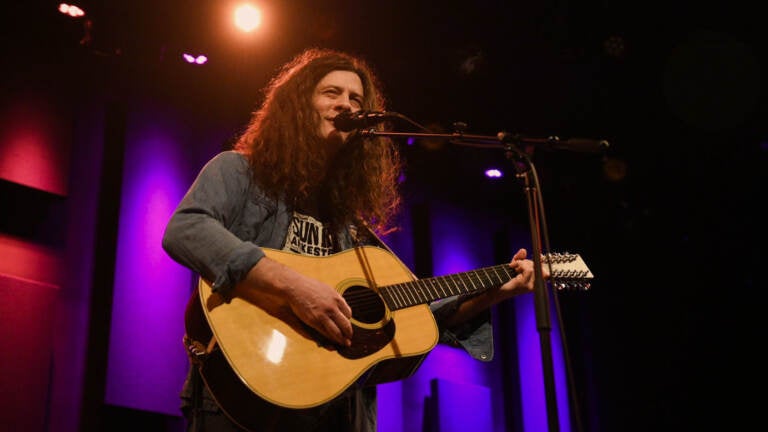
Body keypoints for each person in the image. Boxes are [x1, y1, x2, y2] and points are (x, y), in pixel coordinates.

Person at [162, 47, 546, 432]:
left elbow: (416, 313)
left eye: (356, 99)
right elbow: (186, 229)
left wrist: (498, 289)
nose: (346, 104)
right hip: (239, 397)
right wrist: (294, 286)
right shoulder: (239, 171)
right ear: (297, 104)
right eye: (331, 93)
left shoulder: (349, 225)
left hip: (332, 412)